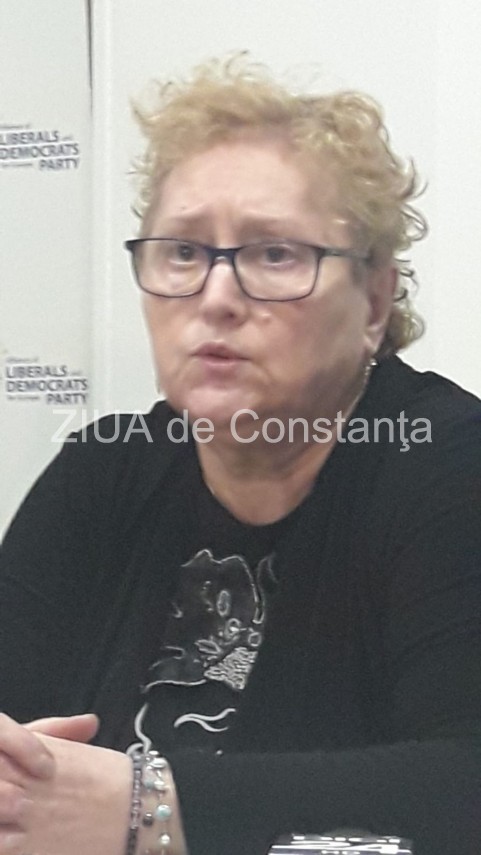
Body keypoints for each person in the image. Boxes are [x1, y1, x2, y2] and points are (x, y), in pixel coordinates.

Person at [0, 54, 480, 855]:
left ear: (372, 301)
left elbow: (462, 783)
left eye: (274, 255)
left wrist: (147, 807)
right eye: (183, 253)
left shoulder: (448, 467)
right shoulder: (104, 468)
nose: (216, 296)